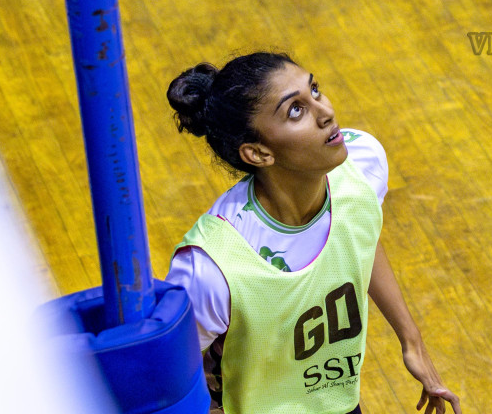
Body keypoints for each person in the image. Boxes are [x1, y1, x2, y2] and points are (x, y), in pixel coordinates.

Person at [164, 52, 462, 414]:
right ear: (258, 153)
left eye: (315, 90)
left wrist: (412, 343)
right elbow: (169, 374)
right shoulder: (214, 267)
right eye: (295, 110)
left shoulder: (361, 167)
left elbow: (359, 238)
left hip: (336, 404)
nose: (326, 113)